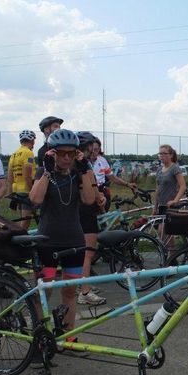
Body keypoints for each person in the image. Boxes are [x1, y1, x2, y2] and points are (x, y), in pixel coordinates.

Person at [29, 129, 96, 332]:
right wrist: (48, 172)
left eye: (71, 153)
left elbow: (89, 200)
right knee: (44, 292)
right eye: (61, 153)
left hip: (74, 243)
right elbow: (35, 199)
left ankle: (68, 336)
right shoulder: (44, 173)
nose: (66, 158)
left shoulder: (78, 173)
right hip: (48, 243)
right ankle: (42, 337)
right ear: (52, 153)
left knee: (69, 293)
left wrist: (85, 170)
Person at [75, 131, 106, 306]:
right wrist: (99, 199)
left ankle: (82, 285)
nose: (94, 151)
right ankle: (84, 292)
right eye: (91, 148)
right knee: (88, 253)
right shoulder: (82, 164)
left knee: (81, 253)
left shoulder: (74, 163)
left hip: (78, 211)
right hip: (85, 211)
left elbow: (93, 183)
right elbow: (91, 184)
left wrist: (99, 196)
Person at [90, 139, 136, 210]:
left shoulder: (102, 160)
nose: (93, 152)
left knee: (103, 218)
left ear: (99, 149)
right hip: (89, 193)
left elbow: (113, 178)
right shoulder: (84, 162)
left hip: (102, 192)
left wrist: (127, 184)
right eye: (91, 149)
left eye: (95, 149)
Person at [6, 130, 37, 230]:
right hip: (26, 189)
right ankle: (19, 242)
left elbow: (10, 176)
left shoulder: (14, 154)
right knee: (25, 222)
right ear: (32, 141)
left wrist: (11, 192)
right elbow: (27, 175)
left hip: (17, 190)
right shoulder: (28, 153)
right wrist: (33, 191)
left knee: (22, 220)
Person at [154, 144, 187, 211]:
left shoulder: (175, 168)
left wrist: (175, 201)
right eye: (160, 154)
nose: (162, 156)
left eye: (165, 154)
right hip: (161, 206)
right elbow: (158, 189)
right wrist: (155, 207)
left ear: (171, 155)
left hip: (171, 207)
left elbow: (183, 186)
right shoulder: (159, 170)